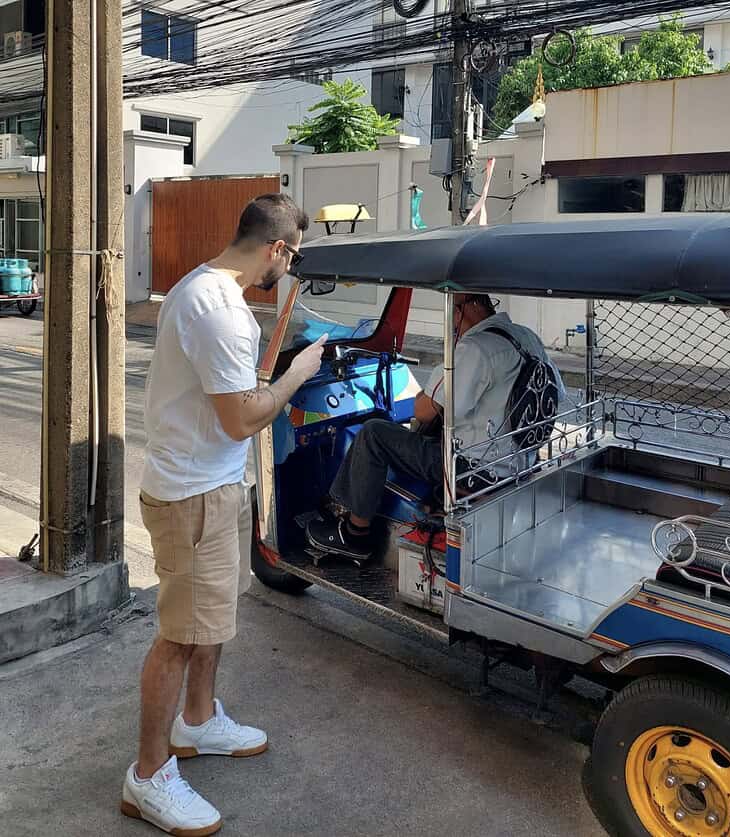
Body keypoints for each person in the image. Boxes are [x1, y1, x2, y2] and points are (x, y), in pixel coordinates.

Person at [122, 194, 327, 837]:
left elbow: (228, 398)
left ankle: (199, 721)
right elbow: (242, 418)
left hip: (215, 483)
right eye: (291, 258)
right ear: (277, 249)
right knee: (180, 635)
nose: (287, 271)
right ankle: (148, 776)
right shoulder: (219, 310)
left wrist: (266, 375)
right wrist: (297, 374)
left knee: (209, 620)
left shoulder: (203, 288)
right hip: (193, 497)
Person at [306, 293, 562, 562]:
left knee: (373, 434)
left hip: (471, 469)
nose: (452, 321)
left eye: (453, 312)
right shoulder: (526, 337)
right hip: (518, 463)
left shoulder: (476, 348)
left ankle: (354, 534)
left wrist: (434, 380)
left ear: (467, 309)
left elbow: (423, 411)